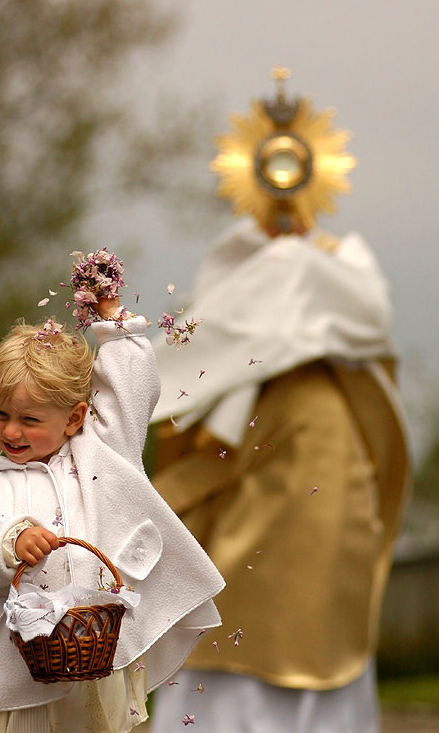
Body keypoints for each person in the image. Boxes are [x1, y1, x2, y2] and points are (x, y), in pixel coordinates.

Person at [148, 214, 412, 733]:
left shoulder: (343, 272)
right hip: (237, 544)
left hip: (328, 528)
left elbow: (365, 313)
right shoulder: (236, 268)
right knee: (225, 624)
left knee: (318, 642)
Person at [0, 289, 224, 733]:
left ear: (75, 419)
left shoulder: (101, 455)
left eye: (30, 420)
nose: (11, 431)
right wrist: (10, 541)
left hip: (94, 652)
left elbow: (130, 393)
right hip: (19, 662)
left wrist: (113, 323)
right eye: (0, 414)